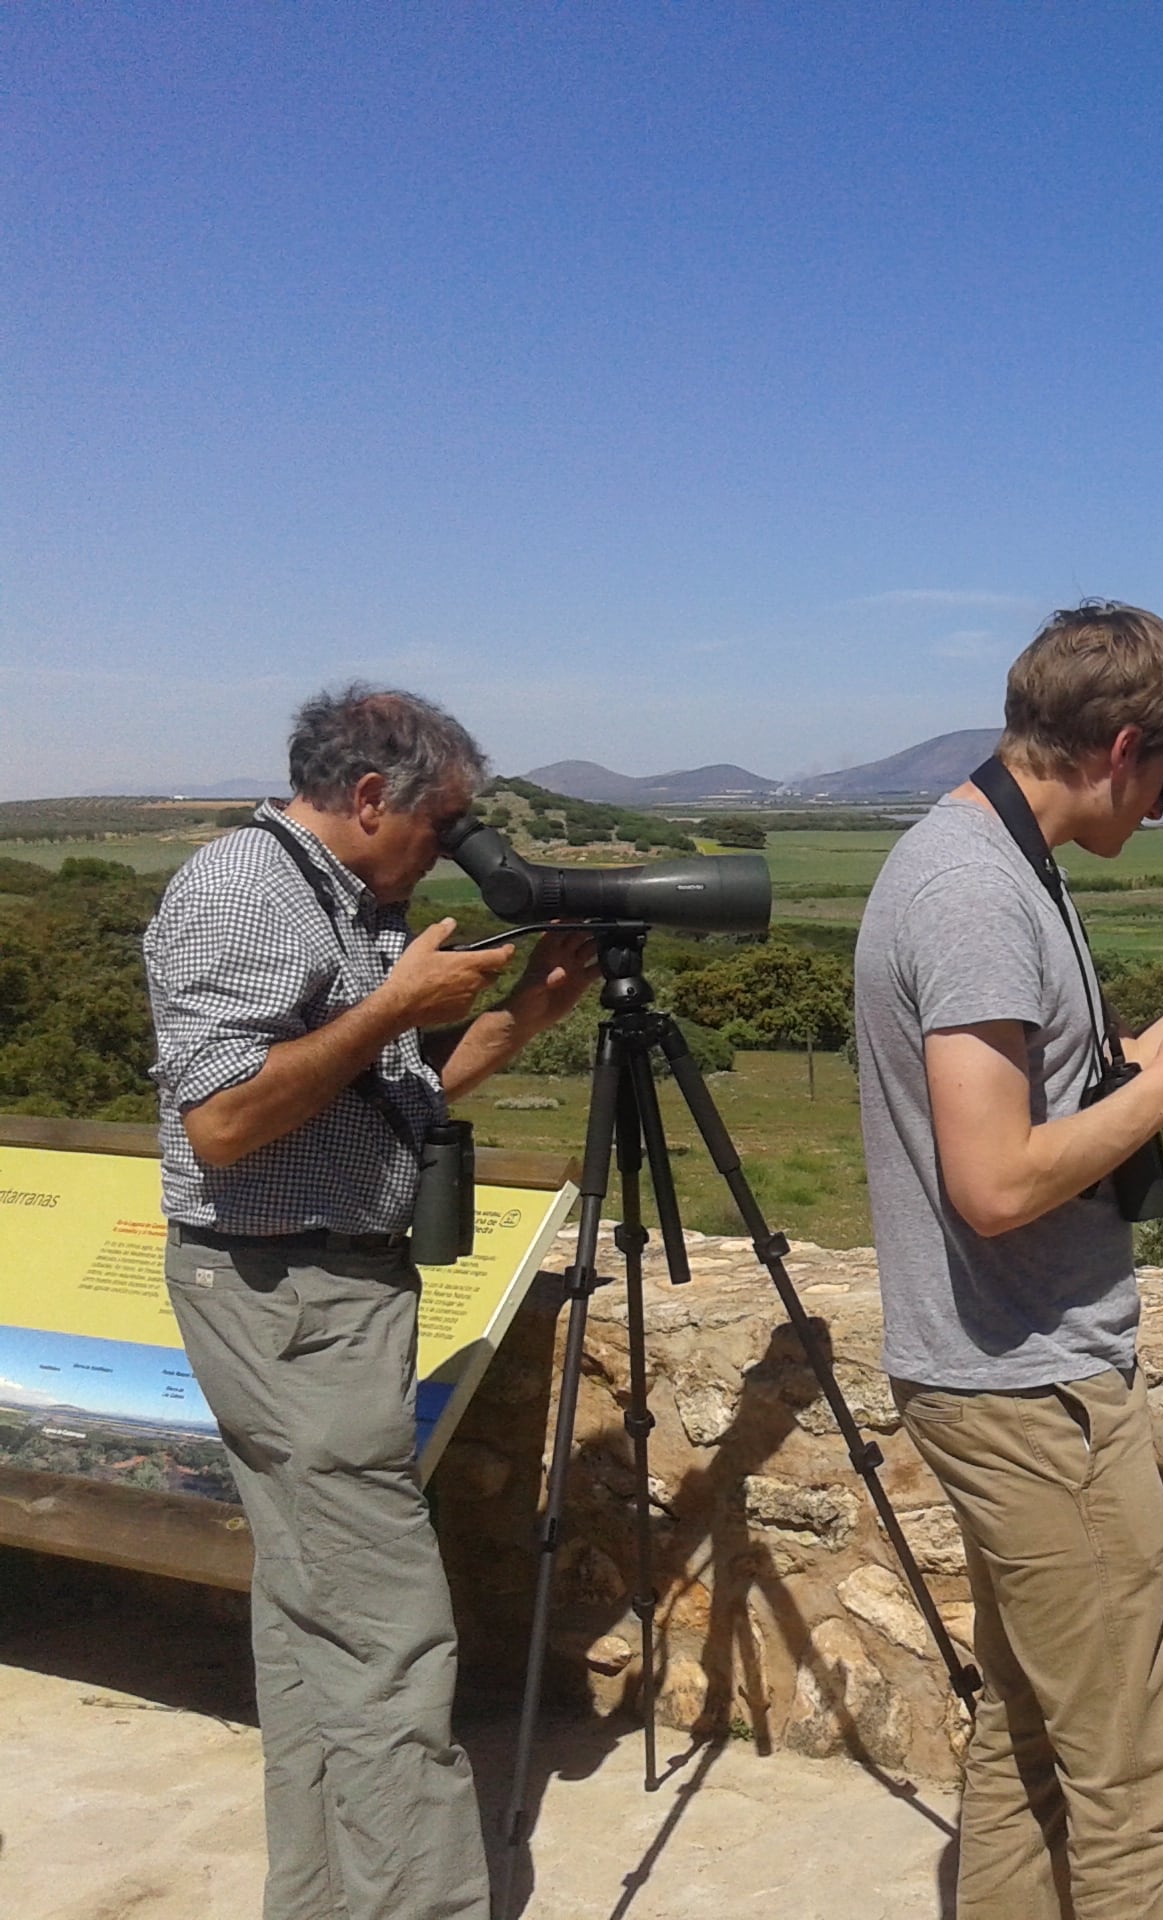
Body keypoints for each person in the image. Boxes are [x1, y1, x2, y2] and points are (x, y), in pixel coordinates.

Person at [854, 602, 1163, 1920]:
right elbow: (1000, 1180)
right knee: (1132, 1776)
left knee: (1029, 1739)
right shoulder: (970, 892)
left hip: (1015, 1372)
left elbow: (1084, 1101)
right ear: (1124, 747)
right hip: (1027, 1390)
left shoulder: (1001, 863)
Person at [145, 686, 597, 1920]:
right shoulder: (246, 889)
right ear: (365, 799)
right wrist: (392, 1004)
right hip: (285, 1289)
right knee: (391, 1643)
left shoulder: (343, 904)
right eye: (442, 823)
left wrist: (523, 1017)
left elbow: (383, 1097)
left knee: (317, 1637)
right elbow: (226, 1122)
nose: (450, 848)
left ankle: (326, 1901)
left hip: (323, 1289)